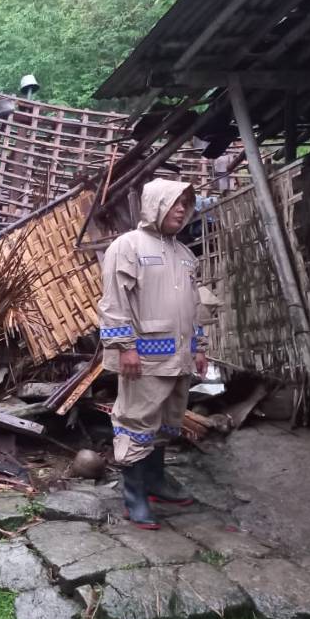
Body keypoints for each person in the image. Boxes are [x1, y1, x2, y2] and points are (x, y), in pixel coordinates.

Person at [98, 179, 208, 530]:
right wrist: (125, 346)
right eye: (176, 202)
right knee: (136, 423)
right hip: (142, 359)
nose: (181, 209)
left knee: (167, 422)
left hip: (179, 358)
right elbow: (113, 302)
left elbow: (194, 306)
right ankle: (135, 498)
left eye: (186, 204)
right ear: (156, 204)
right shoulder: (127, 246)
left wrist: (200, 348)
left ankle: (156, 483)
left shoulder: (185, 255)